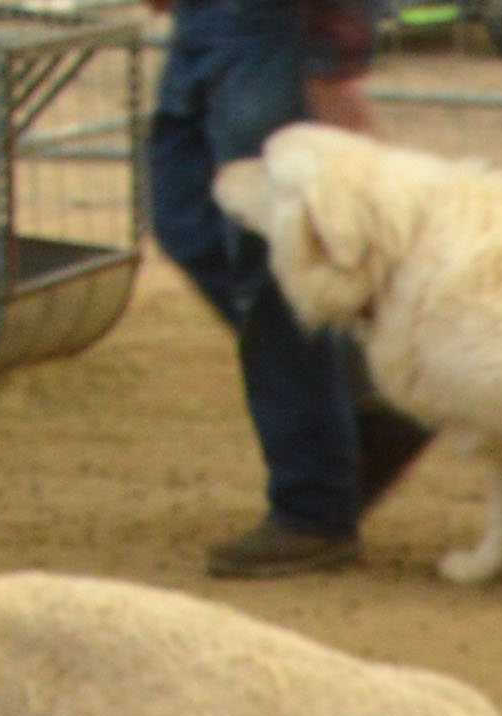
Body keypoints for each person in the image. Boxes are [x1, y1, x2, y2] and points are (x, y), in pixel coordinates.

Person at [144, 0, 432, 579]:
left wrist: (334, 54)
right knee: (186, 217)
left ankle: (314, 505)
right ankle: (368, 401)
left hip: (272, 26)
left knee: (273, 260)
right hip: (213, 22)